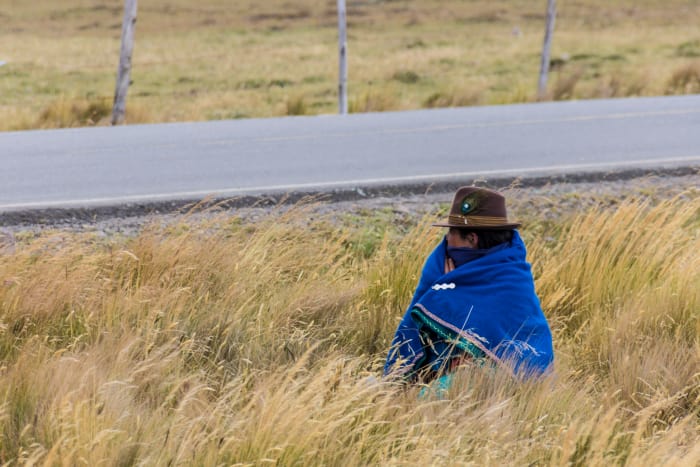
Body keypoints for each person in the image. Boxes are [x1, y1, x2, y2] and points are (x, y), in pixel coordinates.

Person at [383, 186, 553, 383]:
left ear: (472, 239)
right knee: (375, 389)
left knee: (438, 392)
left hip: (512, 379)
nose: (446, 241)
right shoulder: (448, 268)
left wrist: (448, 294)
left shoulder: (510, 278)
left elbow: (501, 346)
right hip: (469, 374)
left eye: (451, 233)